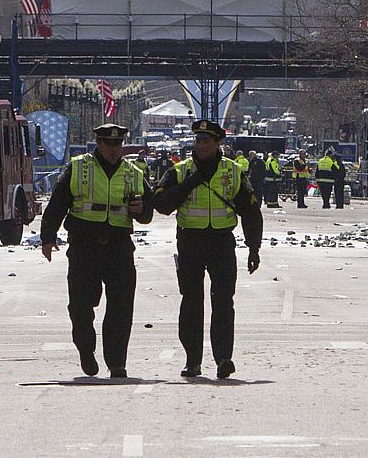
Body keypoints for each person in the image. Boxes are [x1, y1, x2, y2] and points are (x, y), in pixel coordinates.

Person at [40, 124, 153, 378]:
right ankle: (85, 349)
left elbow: (148, 211)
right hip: (84, 247)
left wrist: (141, 210)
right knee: (80, 306)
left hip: (118, 247)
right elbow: (58, 202)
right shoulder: (79, 168)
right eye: (108, 144)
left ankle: (116, 363)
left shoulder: (133, 173)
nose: (114, 149)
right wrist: (48, 237)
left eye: (118, 144)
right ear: (99, 144)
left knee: (120, 309)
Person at [152, 119, 263, 379]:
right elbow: (161, 204)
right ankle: (193, 360)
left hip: (221, 242)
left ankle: (223, 358)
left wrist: (253, 247)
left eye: (207, 141)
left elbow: (250, 210)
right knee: (191, 302)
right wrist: (190, 183)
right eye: (198, 141)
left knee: (223, 302)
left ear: (218, 143)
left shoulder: (233, 171)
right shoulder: (180, 171)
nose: (202, 145)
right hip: (190, 242)